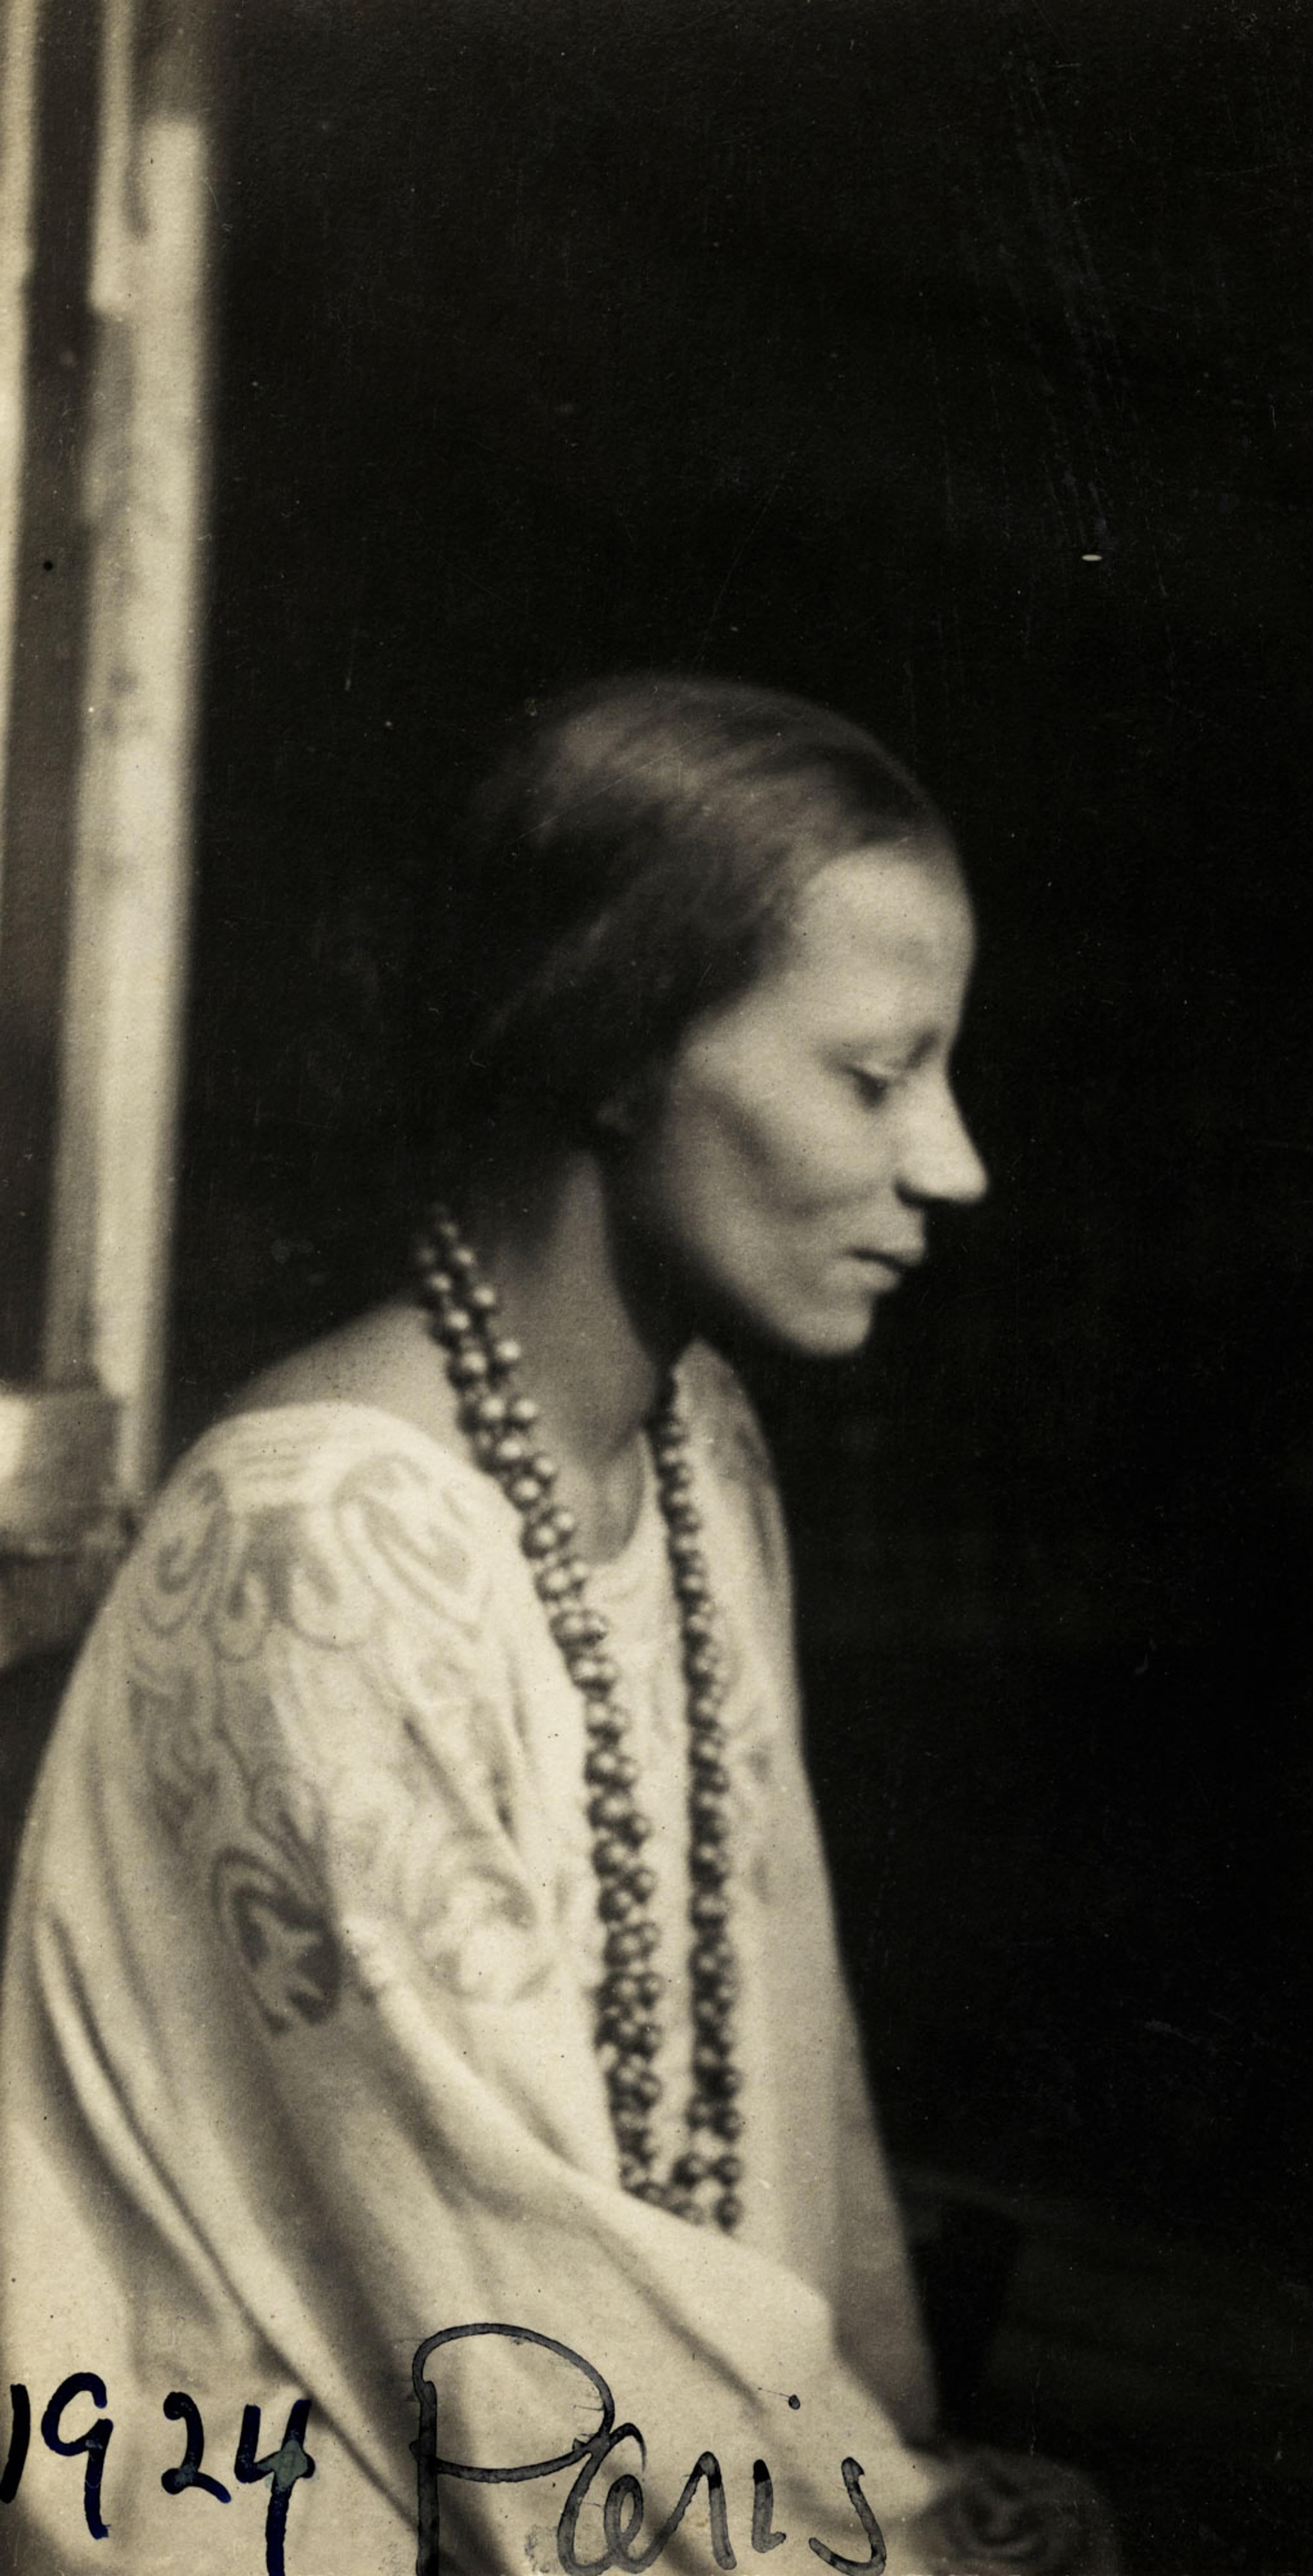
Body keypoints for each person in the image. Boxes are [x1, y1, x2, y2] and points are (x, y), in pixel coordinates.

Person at [0, 675, 1115, 2574]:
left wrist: (891, 2457)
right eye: (874, 1074)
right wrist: (902, 2541)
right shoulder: (320, 1547)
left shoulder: (698, 1444)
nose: (953, 1161)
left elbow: (777, 2079)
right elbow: (499, 2294)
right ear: (616, 1044)